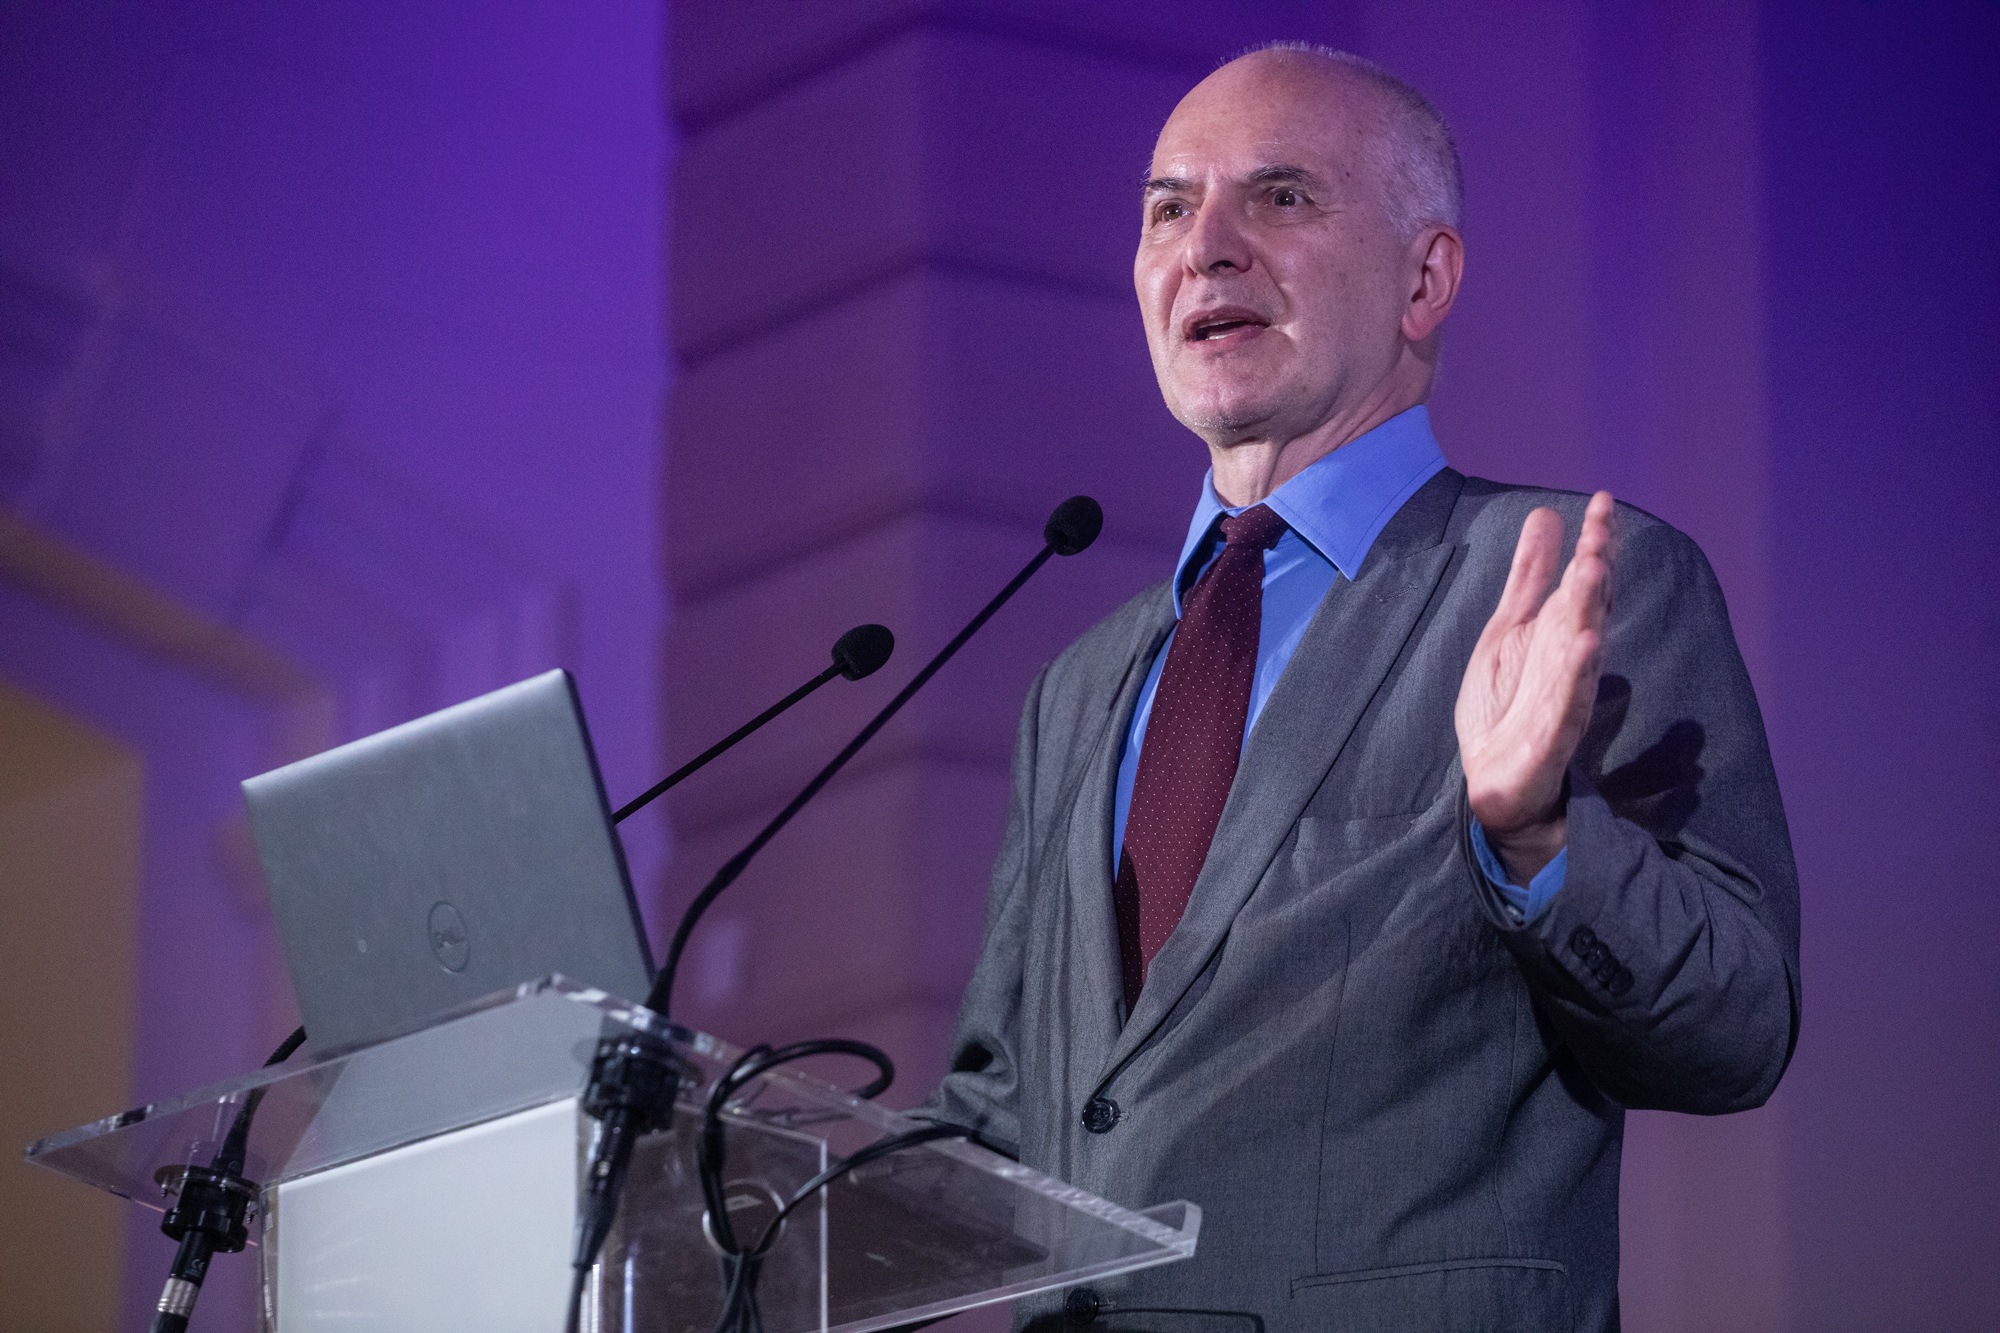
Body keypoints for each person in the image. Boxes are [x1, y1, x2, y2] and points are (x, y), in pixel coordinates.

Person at [919, 43, 1801, 1333]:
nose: (1205, 248)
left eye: (1279, 197)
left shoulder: (1567, 584)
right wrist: (732, 1201)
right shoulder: (1081, 687)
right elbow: (1010, 1110)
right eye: (1168, 209)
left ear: (1423, 279)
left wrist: (1538, 841)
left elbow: (1737, 1031)